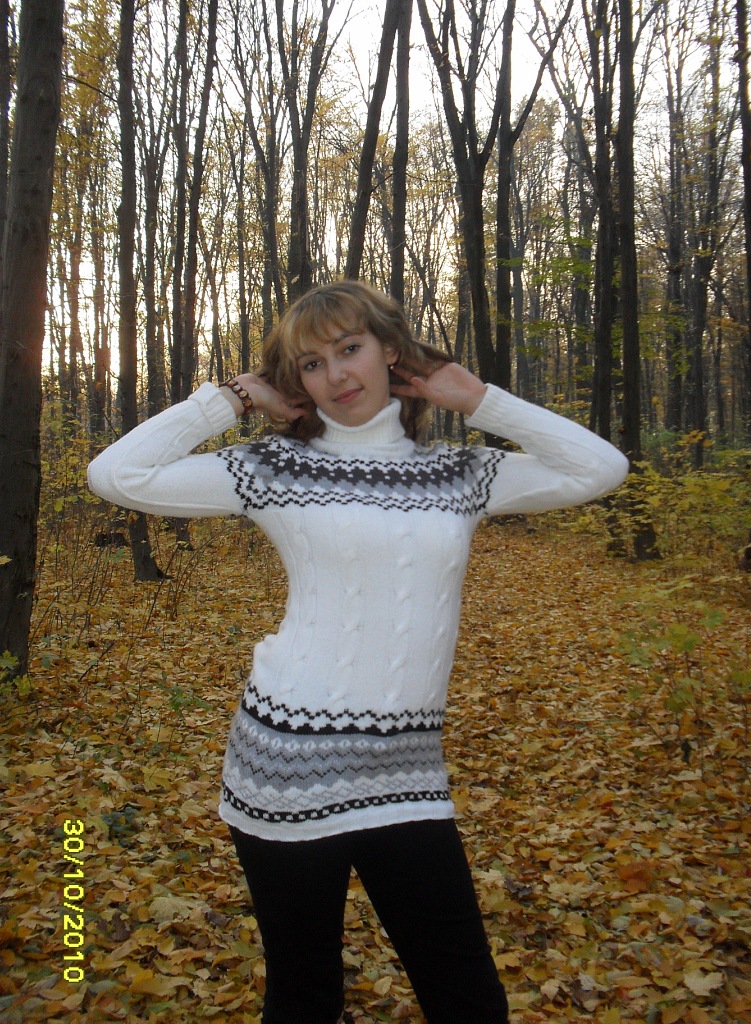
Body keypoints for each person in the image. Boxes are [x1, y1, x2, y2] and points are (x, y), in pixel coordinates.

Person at [88, 280, 628, 1024]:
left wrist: (481, 401)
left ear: (390, 351)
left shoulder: (459, 473)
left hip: (408, 769)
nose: (337, 375)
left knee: (468, 997)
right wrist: (230, 400)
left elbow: (600, 469)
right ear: (296, 381)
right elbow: (115, 475)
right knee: (305, 997)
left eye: (350, 349)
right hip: (286, 763)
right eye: (312, 364)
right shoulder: (275, 467)